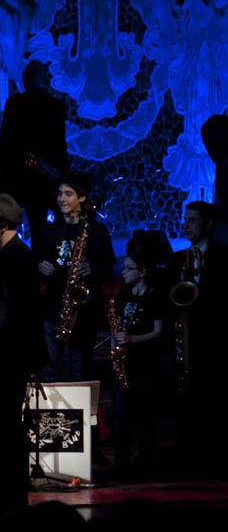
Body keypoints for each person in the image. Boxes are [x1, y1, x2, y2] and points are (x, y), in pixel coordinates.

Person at [0, 194, 46, 510]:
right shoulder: (5, 254)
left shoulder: (15, 257)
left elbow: (5, 309)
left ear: (1, 224)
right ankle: (9, 486)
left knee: (6, 423)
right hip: (6, 352)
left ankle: (14, 491)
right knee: (2, 422)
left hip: (7, 354)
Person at [36, 175, 114, 382]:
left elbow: (110, 266)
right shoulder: (50, 231)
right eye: (60, 194)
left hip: (83, 310)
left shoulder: (96, 231)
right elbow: (36, 260)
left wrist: (93, 268)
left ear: (81, 198)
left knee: (80, 368)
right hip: (54, 305)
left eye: (68, 194)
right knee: (50, 366)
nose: (62, 199)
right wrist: (40, 266)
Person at [172, 201, 228, 476]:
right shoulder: (179, 257)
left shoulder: (222, 256)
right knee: (186, 400)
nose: (187, 225)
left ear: (207, 224)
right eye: (186, 219)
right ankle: (187, 458)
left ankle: (213, 460)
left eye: (193, 220)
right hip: (185, 335)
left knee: (212, 400)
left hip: (212, 338)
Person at [0, 61, 68, 242]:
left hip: (21, 173)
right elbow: (59, 145)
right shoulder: (54, 106)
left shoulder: (17, 104)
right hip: (35, 174)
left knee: (14, 222)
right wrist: (61, 173)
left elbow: (4, 141)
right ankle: (38, 264)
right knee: (36, 224)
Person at [111, 240, 164, 479]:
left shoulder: (154, 296)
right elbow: (116, 328)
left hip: (146, 364)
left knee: (144, 416)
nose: (123, 272)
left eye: (128, 268)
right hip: (125, 363)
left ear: (141, 272)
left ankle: (144, 464)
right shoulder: (123, 295)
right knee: (121, 417)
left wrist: (132, 339)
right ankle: (121, 463)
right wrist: (116, 349)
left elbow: (158, 331)